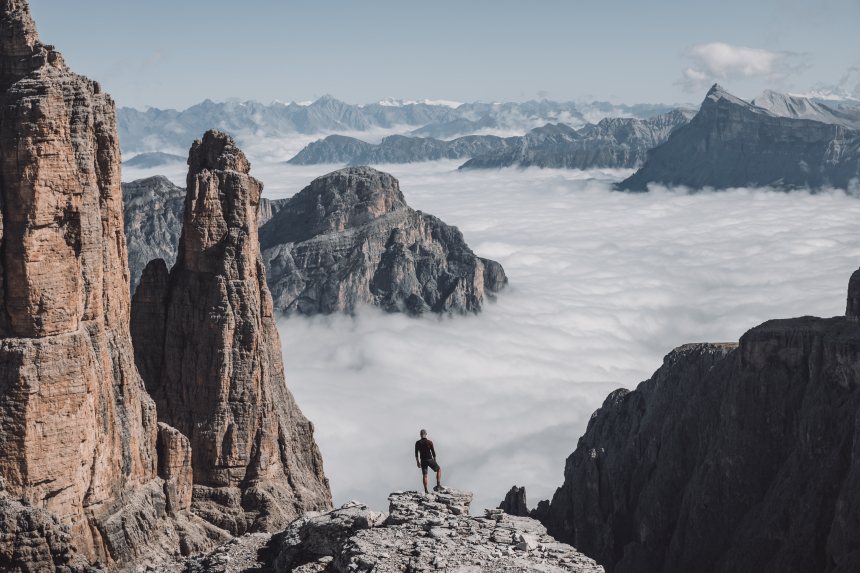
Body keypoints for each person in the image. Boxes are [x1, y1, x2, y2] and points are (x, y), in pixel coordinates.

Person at [415, 429, 443, 494]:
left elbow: (416, 454)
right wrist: (435, 460)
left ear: (420, 434)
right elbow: (433, 452)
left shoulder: (417, 443)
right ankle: (438, 486)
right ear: (426, 434)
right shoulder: (429, 442)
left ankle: (426, 490)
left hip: (423, 461)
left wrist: (418, 462)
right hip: (430, 459)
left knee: (425, 475)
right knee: (439, 469)